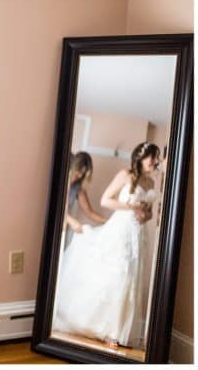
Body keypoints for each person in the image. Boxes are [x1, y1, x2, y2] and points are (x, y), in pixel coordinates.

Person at [52, 142, 160, 349]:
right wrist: (131, 206)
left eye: (156, 158)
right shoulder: (125, 175)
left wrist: (144, 214)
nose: (154, 162)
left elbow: (148, 214)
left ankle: (120, 331)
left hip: (138, 233)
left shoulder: (150, 183)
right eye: (151, 157)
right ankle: (106, 330)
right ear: (140, 157)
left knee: (132, 278)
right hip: (120, 231)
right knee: (117, 275)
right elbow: (105, 200)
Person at [63, 152, 106, 247]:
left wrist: (109, 222)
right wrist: (70, 219)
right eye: (78, 171)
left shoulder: (77, 187)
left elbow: (90, 212)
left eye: (82, 174)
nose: (78, 176)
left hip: (63, 230)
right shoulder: (61, 178)